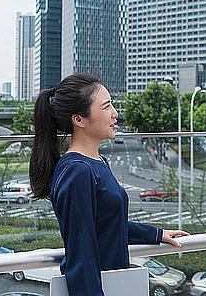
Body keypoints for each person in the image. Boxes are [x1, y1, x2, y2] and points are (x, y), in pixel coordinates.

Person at [29, 73, 188, 296]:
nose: (115, 114)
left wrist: (155, 234)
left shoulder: (97, 162)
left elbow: (104, 224)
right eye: (106, 107)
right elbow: (81, 254)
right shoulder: (77, 171)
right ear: (79, 120)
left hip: (115, 281)